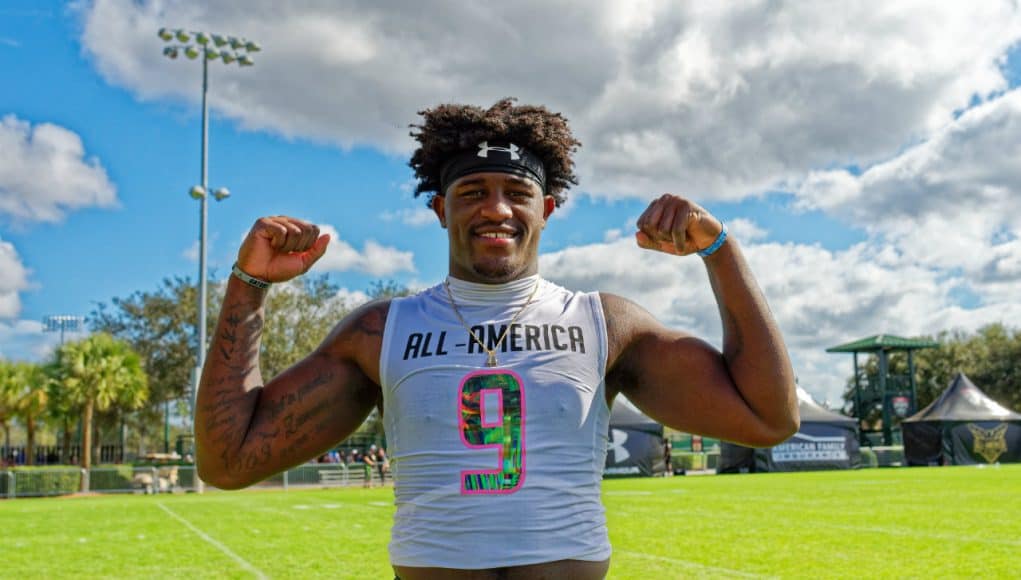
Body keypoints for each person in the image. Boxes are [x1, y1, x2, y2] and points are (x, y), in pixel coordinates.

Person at [195, 98, 798, 579]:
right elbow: (228, 461)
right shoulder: (383, 330)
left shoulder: (604, 323)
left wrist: (720, 251)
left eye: (517, 193)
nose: (496, 209)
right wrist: (249, 285)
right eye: (473, 191)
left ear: (548, 209)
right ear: (438, 209)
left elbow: (769, 417)